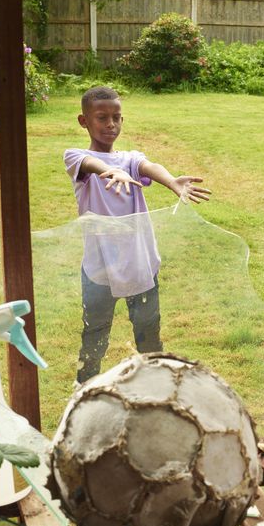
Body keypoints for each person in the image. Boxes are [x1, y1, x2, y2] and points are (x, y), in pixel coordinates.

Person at [64, 86, 211, 383]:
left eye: (116, 118)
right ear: (84, 121)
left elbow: (148, 166)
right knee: (95, 333)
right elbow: (91, 164)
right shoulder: (76, 157)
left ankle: (155, 385)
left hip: (140, 266)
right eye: (102, 118)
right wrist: (109, 171)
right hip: (99, 269)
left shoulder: (130, 158)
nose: (110, 125)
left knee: (149, 334)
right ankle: (84, 388)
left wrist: (172, 182)